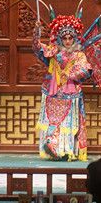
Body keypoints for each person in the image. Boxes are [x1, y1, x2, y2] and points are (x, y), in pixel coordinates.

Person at [33, 15, 92, 161]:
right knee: (52, 121)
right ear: (60, 39)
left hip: (70, 94)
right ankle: (51, 145)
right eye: (64, 38)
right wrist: (37, 32)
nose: (67, 41)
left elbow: (86, 70)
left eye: (70, 38)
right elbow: (37, 48)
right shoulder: (54, 51)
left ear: (74, 39)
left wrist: (70, 73)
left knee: (67, 122)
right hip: (53, 92)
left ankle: (66, 150)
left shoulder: (79, 55)